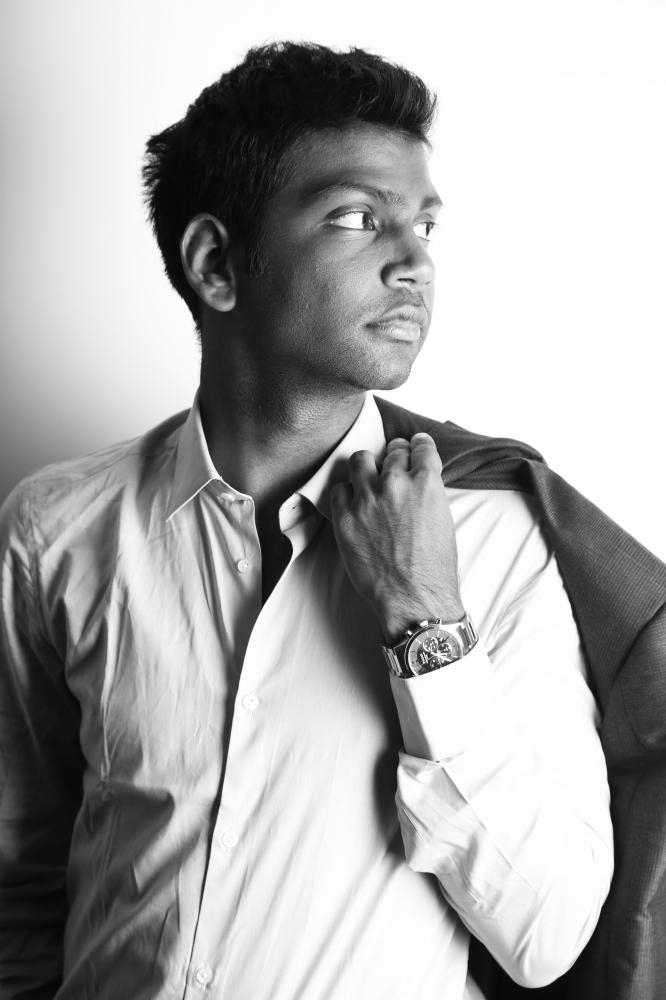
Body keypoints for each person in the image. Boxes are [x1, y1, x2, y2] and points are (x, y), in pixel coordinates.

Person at [0, 41, 623, 1000]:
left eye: (424, 224)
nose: (414, 262)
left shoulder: (496, 537)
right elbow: (23, 882)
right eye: (358, 218)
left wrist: (426, 617)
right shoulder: (55, 532)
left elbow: (548, 934)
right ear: (216, 264)